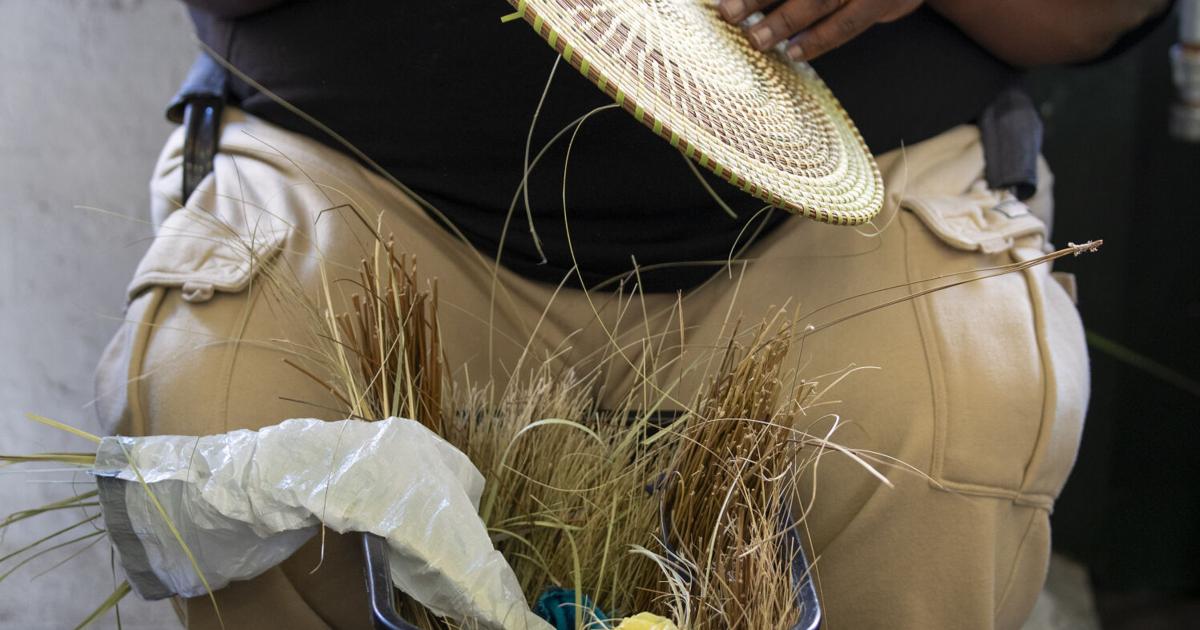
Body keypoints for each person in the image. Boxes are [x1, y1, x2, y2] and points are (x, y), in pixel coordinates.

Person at [94, 1, 1170, 628]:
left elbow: (1089, 15)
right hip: (374, 176)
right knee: (225, 406)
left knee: (948, 439)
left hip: (845, 200)